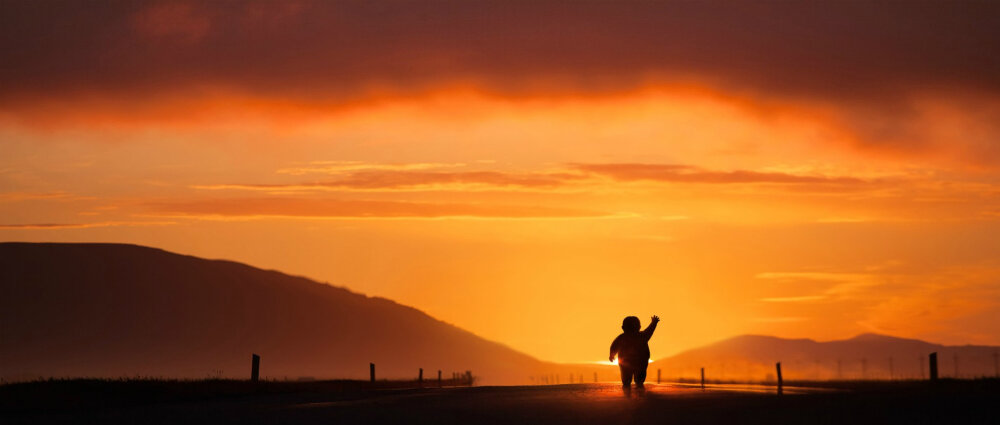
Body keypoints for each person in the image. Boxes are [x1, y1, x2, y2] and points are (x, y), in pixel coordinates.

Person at [609, 315, 659, 389]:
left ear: (623, 328)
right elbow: (650, 330)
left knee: (627, 377)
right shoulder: (642, 336)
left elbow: (614, 346)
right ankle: (636, 382)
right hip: (640, 362)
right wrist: (654, 323)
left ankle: (629, 382)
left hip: (627, 362)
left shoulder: (622, 337)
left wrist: (612, 355)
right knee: (638, 377)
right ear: (639, 327)